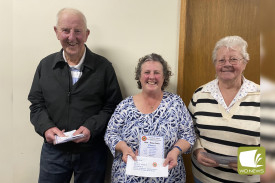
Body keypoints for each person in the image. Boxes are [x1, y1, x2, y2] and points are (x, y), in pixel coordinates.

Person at [28, 8, 122, 183]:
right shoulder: (45, 66)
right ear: (56, 32)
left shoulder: (104, 67)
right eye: (65, 30)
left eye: (77, 31)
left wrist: (91, 128)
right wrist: (46, 128)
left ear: (86, 34)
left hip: (92, 152)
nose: (72, 37)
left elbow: (113, 107)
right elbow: (36, 105)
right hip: (54, 152)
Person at [104, 53, 196, 182]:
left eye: (157, 72)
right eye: (147, 72)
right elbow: (111, 134)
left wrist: (175, 151)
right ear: (139, 77)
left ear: (164, 77)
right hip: (128, 177)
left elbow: (188, 135)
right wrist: (124, 148)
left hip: (168, 176)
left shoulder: (176, 103)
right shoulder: (125, 106)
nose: (152, 77)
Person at [188, 36, 260, 183]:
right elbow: (189, 131)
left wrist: (253, 162)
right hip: (204, 178)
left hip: (247, 180)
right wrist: (197, 150)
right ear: (215, 64)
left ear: (245, 63)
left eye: (233, 59)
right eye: (221, 60)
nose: (227, 64)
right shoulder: (200, 94)